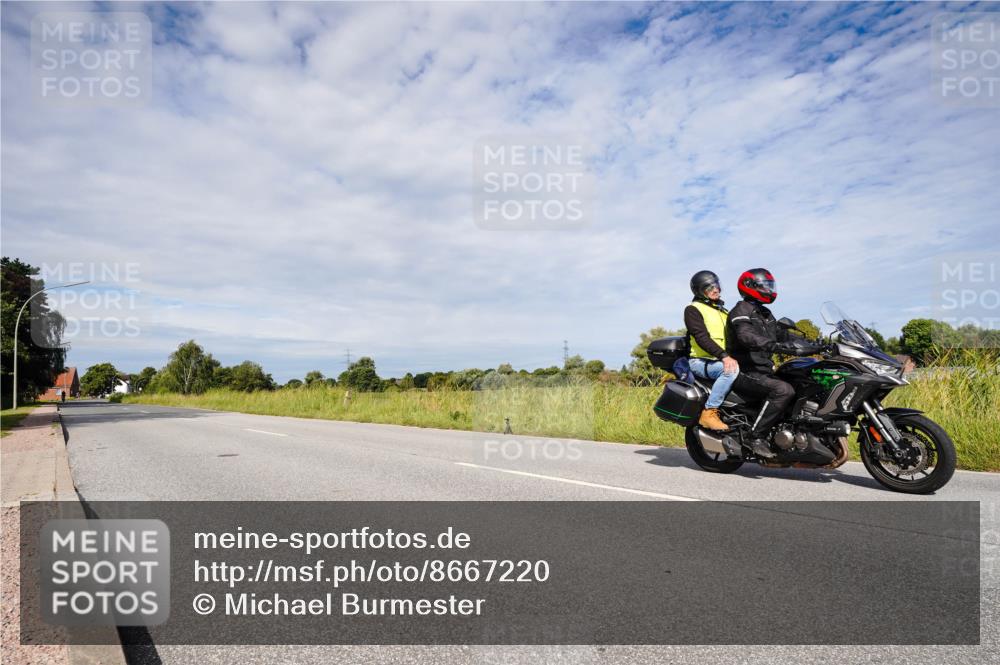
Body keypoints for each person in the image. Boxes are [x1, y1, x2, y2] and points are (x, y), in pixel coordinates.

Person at [727, 268, 820, 458]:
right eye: (766, 286)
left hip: (764, 371)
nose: (770, 290)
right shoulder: (740, 311)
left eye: (771, 286)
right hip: (746, 371)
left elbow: (785, 335)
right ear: (750, 286)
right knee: (783, 390)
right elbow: (746, 336)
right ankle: (755, 437)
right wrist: (776, 346)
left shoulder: (765, 314)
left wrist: (816, 345)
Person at [684, 270, 739, 431]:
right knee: (730, 370)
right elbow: (701, 337)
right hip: (699, 361)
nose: (716, 290)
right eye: (709, 288)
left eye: (717, 285)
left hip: (719, 359)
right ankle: (709, 412)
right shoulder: (693, 309)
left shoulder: (722, 311)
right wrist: (724, 356)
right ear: (700, 291)